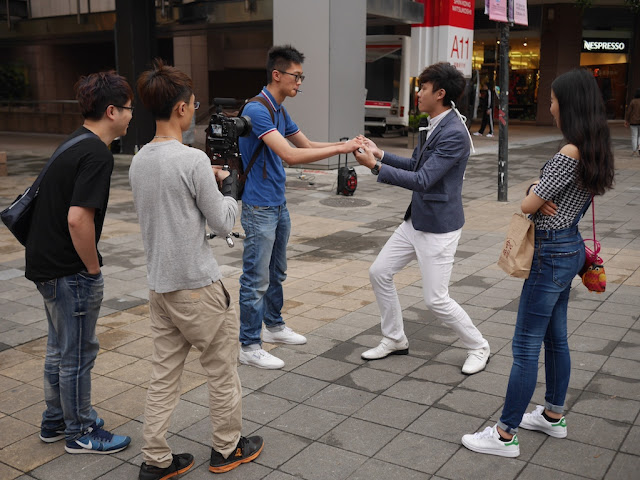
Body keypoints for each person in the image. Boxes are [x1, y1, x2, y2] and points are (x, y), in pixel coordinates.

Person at [462, 68, 615, 457]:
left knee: (526, 346)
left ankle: (503, 434)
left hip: (551, 253)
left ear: (569, 106)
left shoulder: (569, 152)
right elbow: (545, 197)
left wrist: (532, 188)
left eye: (552, 100)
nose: (549, 106)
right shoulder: (595, 146)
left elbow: (528, 203)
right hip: (570, 249)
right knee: (555, 338)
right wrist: (537, 192)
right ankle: (552, 415)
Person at [131, 59, 262, 479]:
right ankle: (227, 449)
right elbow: (224, 221)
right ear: (183, 108)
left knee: (163, 376)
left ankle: (156, 459)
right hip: (199, 288)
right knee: (222, 369)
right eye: (194, 103)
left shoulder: (139, 160)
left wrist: (209, 177)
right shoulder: (191, 160)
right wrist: (229, 185)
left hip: (160, 286)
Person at [353, 62, 490, 375]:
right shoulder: (436, 123)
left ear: (440, 93)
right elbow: (417, 165)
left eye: (424, 88)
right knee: (379, 272)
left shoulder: (453, 132)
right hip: (416, 220)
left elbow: (423, 180)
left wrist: (373, 167)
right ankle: (394, 338)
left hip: (439, 227)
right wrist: (381, 154)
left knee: (436, 299)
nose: (418, 93)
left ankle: (478, 346)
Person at [25, 71, 133, 454]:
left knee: (59, 348)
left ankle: (55, 421)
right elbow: (77, 218)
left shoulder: (73, 142)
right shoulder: (96, 153)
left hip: (46, 264)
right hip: (69, 269)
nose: (131, 115)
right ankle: (81, 431)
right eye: (128, 108)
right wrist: (92, 268)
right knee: (77, 353)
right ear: (111, 111)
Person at [237, 45, 360, 369]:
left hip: (277, 204)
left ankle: (274, 326)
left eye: (302, 76)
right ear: (277, 74)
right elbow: (291, 155)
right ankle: (249, 345)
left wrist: (345, 145)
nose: (300, 83)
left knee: (276, 272)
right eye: (296, 76)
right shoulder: (258, 109)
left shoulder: (279, 109)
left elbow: (305, 144)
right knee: (255, 278)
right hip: (258, 207)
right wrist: (342, 147)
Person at [624, 88, 640, 156]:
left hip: (633, 122)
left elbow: (628, 112)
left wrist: (626, 120)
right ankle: (639, 148)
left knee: (634, 136)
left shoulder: (633, 101)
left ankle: (634, 151)